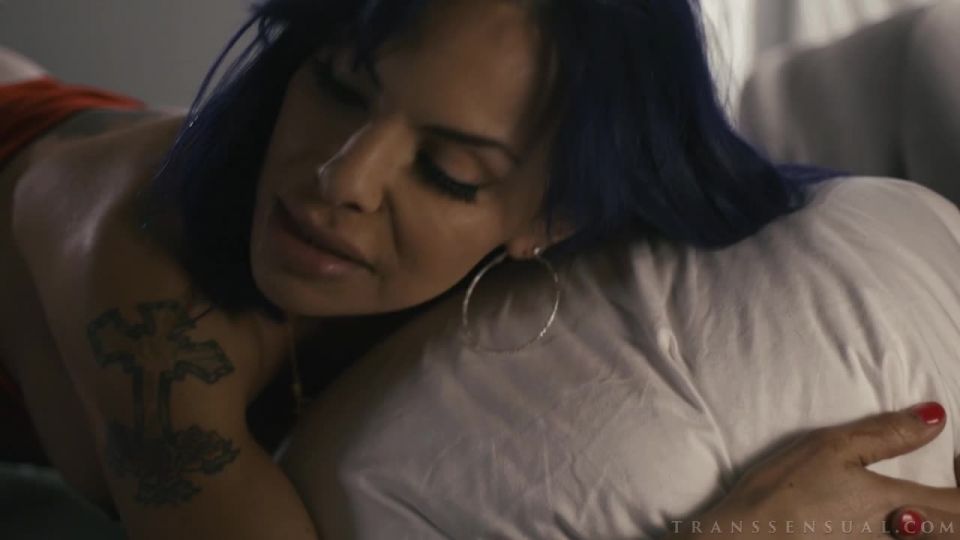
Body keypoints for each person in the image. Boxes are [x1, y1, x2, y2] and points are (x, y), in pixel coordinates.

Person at [1, 0, 959, 538]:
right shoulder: (149, 293)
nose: (341, 180)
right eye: (339, 87)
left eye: (449, 170)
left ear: (553, 219)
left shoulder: (601, 233)